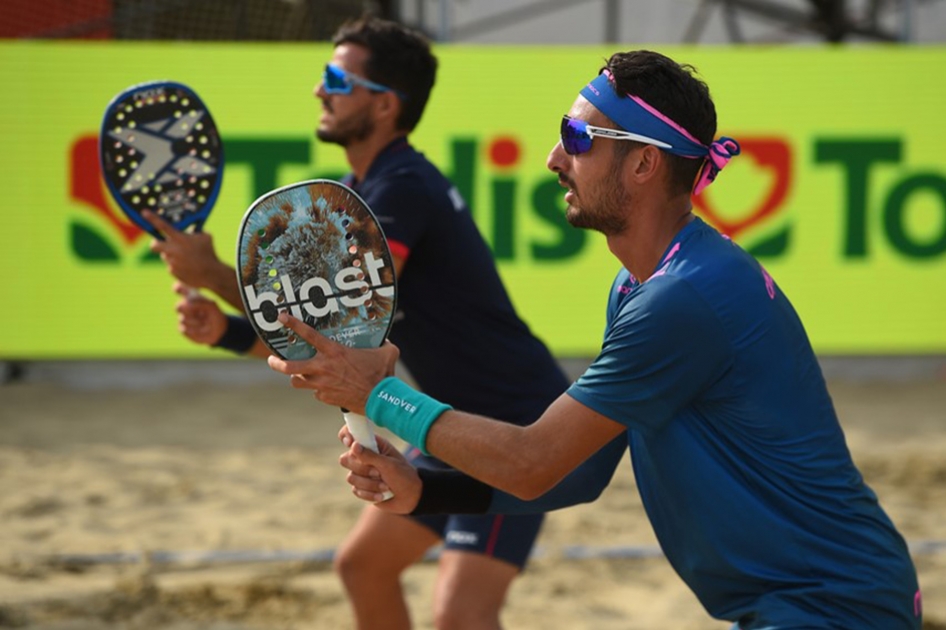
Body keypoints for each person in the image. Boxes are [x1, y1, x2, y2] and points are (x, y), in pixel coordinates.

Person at [266, 49, 923, 629]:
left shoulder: (684, 297)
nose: (554, 158)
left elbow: (533, 460)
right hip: (805, 603)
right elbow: (580, 472)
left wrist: (377, 395)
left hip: (833, 609)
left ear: (642, 163)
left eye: (576, 135)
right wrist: (426, 492)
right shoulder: (641, 286)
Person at [146, 15, 569, 630]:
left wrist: (214, 274)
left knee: (460, 616)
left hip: (511, 429)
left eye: (335, 78)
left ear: (385, 105)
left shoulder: (400, 191)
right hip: (448, 426)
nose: (320, 89)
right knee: (362, 567)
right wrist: (226, 331)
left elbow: (338, 321)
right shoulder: (361, 189)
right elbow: (326, 341)